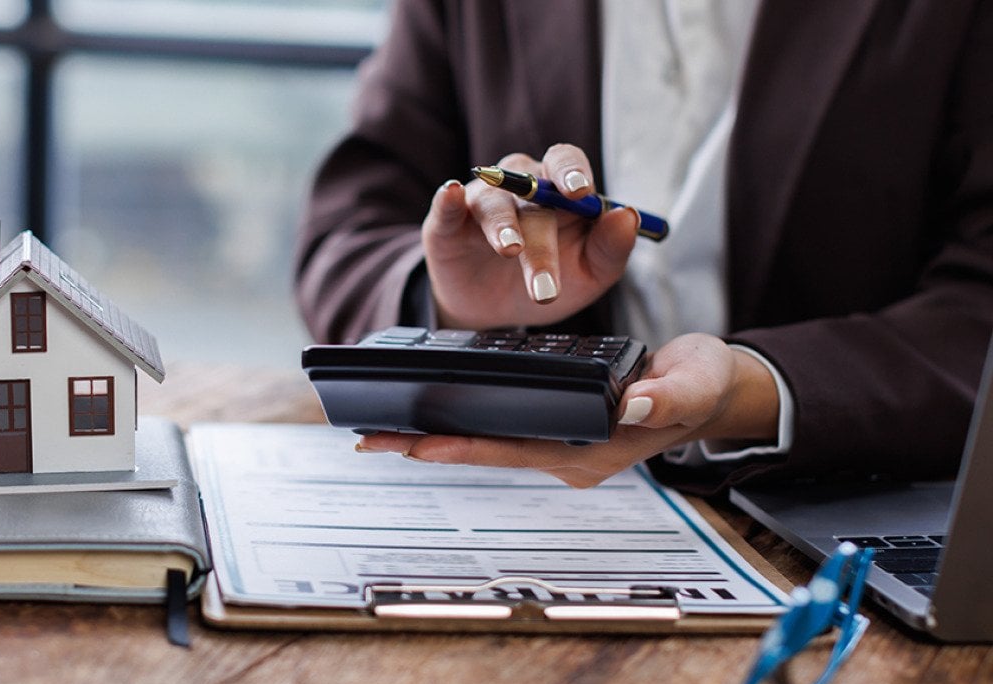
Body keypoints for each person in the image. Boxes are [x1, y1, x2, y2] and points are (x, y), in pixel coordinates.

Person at [293, 0, 993, 493]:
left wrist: (757, 388)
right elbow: (345, 234)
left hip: (851, 509)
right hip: (518, 516)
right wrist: (448, 305)